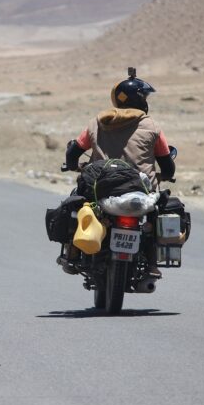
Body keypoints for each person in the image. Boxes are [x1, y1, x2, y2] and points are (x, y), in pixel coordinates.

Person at [64, 68, 175, 278]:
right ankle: (152, 263)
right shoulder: (151, 126)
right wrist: (165, 173)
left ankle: (72, 252)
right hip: (141, 189)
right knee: (154, 214)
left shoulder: (97, 122)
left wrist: (72, 165)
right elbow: (168, 166)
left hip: (101, 186)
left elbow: (73, 152)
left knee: (76, 203)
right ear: (141, 100)